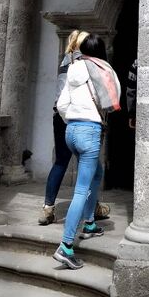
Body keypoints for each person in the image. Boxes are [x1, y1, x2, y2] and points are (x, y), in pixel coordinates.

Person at [54, 33, 121, 270]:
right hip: (89, 130)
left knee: (96, 173)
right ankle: (66, 246)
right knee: (81, 189)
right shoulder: (102, 69)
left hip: (70, 130)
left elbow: (61, 105)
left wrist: (72, 120)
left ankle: (90, 223)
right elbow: (114, 99)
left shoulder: (73, 68)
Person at [39, 30, 110, 225]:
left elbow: (61, 98)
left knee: (61, 161)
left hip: (61, 115)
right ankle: (92, 208)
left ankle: (48, 208)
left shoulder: (65, 62)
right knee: (90, 165)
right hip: (82, 118)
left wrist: (65, 117)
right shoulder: (89, 64)